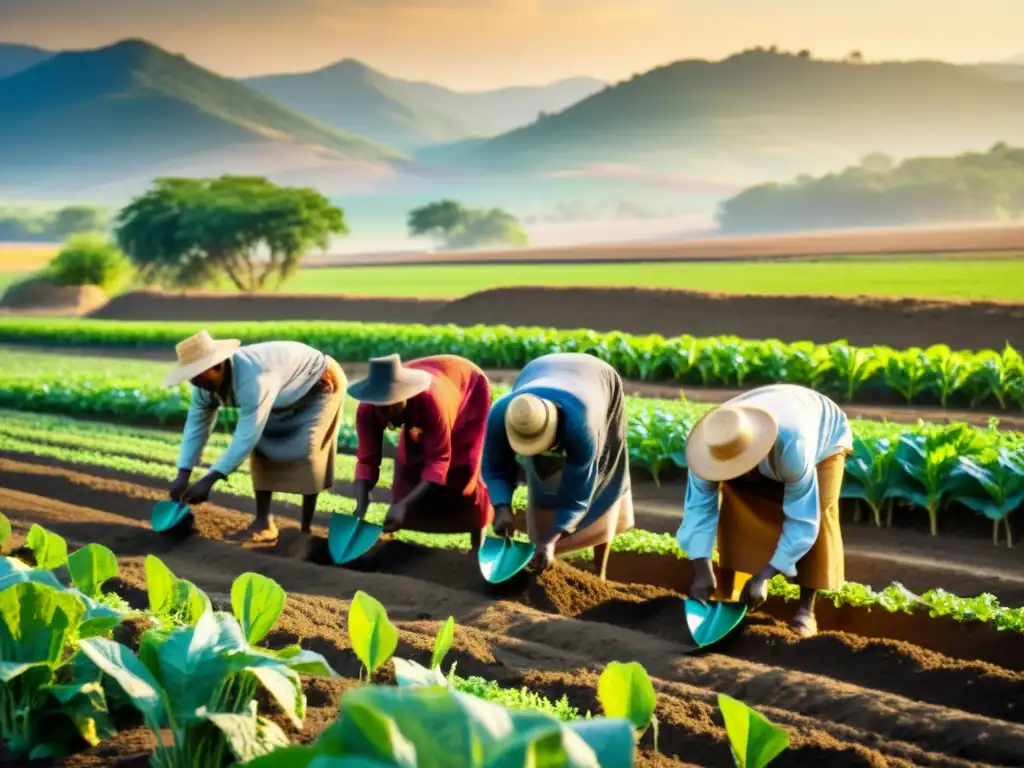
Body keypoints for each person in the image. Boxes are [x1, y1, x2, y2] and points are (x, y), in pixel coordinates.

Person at [676, 383, 853, 638]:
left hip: (824, 433)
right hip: (768, 410)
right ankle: (725, 595)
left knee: (821, 509)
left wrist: (764, 576)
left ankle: (806, 610)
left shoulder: (794, 448)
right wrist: (702, 570)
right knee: (736, 506)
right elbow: (698, 510)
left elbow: (803, 520)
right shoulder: (708, 446)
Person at [164, 330, 346, 543]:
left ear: (218, 366)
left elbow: (246, 435)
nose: (195, 382)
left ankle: (305, 530)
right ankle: (263, 522)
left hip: (318, 384)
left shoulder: (254, 377)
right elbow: (196, 426)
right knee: (263, 451)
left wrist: (211, 478)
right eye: (191, 377)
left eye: (198, 375)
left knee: (308, 452)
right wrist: (183, 473)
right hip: (279, 394)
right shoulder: (203, 386)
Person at [482, 352, 633, 580]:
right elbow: (495, 467)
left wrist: (551, 540)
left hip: (599, 382)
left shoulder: (583, 426)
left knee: (603, 480)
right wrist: (502, 506)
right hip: (540, 370)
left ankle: (599, 570)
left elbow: (577, 497)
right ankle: (539, 548)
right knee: (542, 481)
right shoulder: (503, 415)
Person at [349, 353, 493, 549]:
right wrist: (361, 503)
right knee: (409, 463)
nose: (389, 413)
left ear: (406, 394)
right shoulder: (368, 409)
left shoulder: (431, 403)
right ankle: (395, 544)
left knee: (462, 468)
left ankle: (477, 541)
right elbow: (366, 459)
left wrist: (404, 505)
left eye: (393, 405)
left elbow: (438, 460)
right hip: (433, 387)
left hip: (466, 388)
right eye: (383, 408)